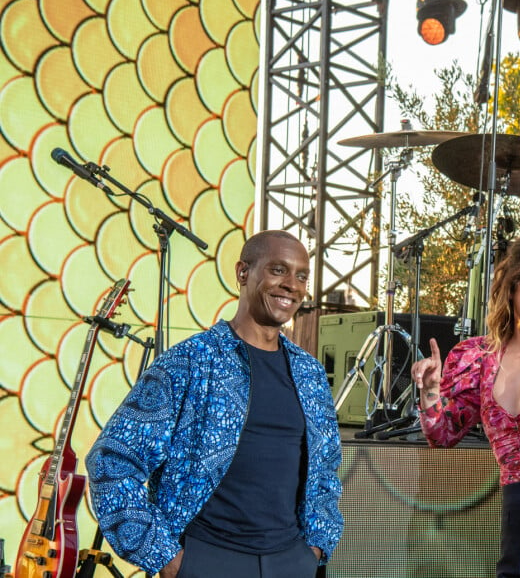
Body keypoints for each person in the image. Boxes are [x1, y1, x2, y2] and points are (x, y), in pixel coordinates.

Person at [85, 230, 343, 578]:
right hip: (207, 559)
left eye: (301, 276)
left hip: (291, 561)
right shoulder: (189, 362)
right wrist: (168, 559)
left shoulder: (309, 373)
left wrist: (315, 547)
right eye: (278, 270)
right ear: (243, 273)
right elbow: (112, 461)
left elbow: (326, 468)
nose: (292, 286)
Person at [411, 228, 520, 578]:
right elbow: (441, 435)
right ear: (513, 285)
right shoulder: (480, 358)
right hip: (516, 524)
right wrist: (430, 390)